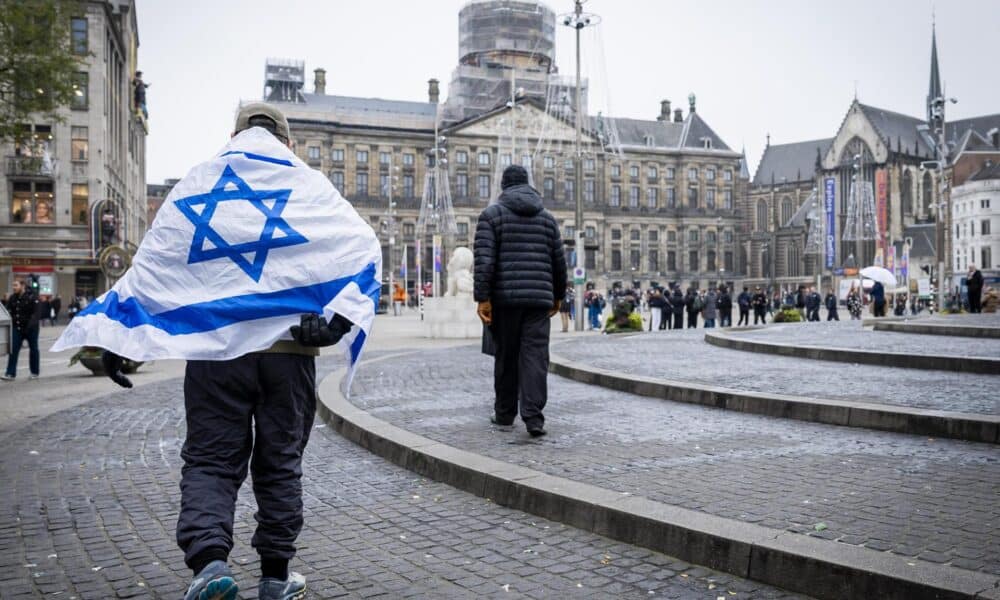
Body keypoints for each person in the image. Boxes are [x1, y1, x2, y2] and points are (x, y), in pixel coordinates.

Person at [95, 104, 363, 600]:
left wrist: (116, 333)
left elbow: (157, 258)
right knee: (280, 463)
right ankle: (276, 578)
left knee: (211, 460)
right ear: (287, 143)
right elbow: (359, 248)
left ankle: (210, 564)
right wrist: (333, 326)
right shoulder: (308, 185)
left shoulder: (202, 181)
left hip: (218, 351)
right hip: (289, 352)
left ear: (233, 134)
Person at [474, 165, 566, 438]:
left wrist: (483, 298)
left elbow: (484, 262)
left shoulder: (491, 215)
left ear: (503, 187)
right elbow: (559, 263)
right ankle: (534, 418)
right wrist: (558, 295)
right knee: (535, 358)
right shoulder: (548, 219)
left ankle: (504, 414)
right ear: (528, 185)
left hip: (505, 301)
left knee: (506, 357)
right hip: (538, 301)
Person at [3, 279, 41, 381]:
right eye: (13, 285)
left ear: (22, 285)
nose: (14, 287)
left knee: (34, 349)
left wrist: (30, 326)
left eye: (16, 285)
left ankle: (34, 372)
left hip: (31, 328)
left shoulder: (32, 296)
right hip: (17, 327)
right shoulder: (13, 298)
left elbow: (36, 314)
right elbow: (7, 311)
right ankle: (10, 373)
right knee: (13, 349)